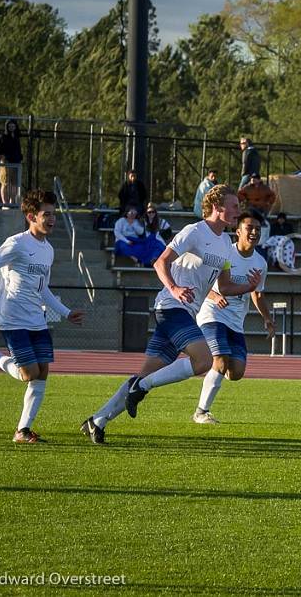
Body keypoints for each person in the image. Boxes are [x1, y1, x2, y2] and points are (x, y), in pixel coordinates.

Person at [81, 185, 261, 445]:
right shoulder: (194, 231)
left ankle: (97, 421)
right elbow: (160, 262)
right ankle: (141, 388)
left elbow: (224, 286)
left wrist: (249, 287)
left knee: (143, 375)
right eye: (234, 206)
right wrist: (175, 288)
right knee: (203, 360)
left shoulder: (225, 244)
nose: (238, 211)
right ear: (217, 207)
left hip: (185, 311)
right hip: (170, 307)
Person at [0, 189, 84, 443]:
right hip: (11, 315)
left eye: (54, 214)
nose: (52, 219)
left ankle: (22, 430)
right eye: (46, 214)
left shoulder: (47, 249)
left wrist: (66, 312)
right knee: (28, 373)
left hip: (36, 318)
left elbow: (42, 288)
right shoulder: (16, 244)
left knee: (42, 372)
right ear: (31, 216)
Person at [192, 212, 274, 424]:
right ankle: (201, 412)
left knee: (236, 372)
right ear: (238, 232)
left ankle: (213, 369)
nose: (254, 232)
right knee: (220, 360)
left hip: (236, 322)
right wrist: (213, 295)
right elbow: (204, 281)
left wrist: (267, 318)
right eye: (249, 227)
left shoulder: (260, 263)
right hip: (212, 314)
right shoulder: (225, 253)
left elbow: (257, 293)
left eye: (257, 228)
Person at [0, 118, 23, 207]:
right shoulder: (2, 136)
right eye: (10, 126)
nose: (11, 127)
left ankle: (12, 202)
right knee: (5, 183)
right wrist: (4, 160)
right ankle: (5, 203)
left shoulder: (16, 137)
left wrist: (19, 159)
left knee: (15, 184)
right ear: (7, 127)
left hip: (16, 163)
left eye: (13, 126)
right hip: (6, 163)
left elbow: (18, 150)